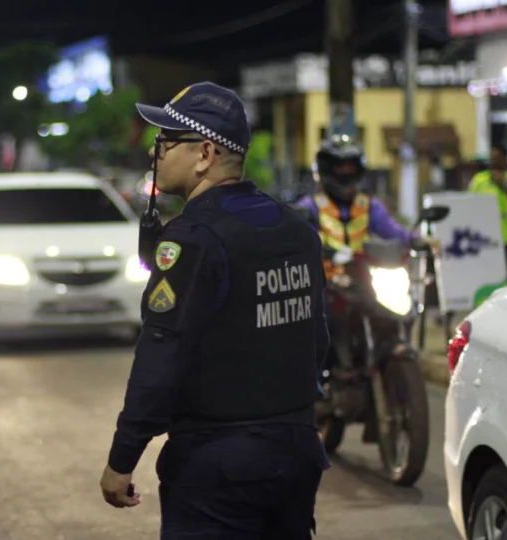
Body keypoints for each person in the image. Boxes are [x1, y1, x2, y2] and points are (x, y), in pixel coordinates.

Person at [99, 81, 331, 539]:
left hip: (219, 464)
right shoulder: (297, 230)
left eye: (166, 141)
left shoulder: (193, 240)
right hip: (298, 453)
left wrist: (122, 458)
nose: (155, 152)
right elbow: (317, 339)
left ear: (205, 153)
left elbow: (160, 357)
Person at [293, 136, 422, 280]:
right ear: (326, 169)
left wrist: (420, 241)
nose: (346, 172)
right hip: (323, 281)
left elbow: (394, 232)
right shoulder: (310, 206)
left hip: (363, 279)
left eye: (350, 167)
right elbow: (296, 241)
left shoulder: (369, 206)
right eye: (339, 167)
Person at [467, 144, 507, 283]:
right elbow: (469, 206)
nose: (494, 162)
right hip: (487, 240)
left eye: (497, 158)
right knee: (490, 282)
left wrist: (505, 185)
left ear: (505, 160)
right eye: (492, 159)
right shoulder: (480, 180)